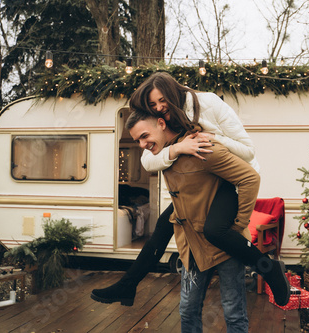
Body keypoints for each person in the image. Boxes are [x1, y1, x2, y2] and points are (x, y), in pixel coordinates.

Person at [91, 72, 290, 307]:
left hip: (232, 180)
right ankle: (128, 286)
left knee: (215, 230)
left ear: (174, 91)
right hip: (206, 184)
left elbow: (248, 151)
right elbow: (148, 161)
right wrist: (177, 149)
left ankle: (270, 269)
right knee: (161, 231)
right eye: (152, 105)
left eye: (161, 101)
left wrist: (214, 137)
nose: (158, 109)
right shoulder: (165, 118)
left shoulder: (209, 103)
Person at [127, 111, 258, 332]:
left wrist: (237, 227)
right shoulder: (163, 156)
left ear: (161, 123)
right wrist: (175, 149)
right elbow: (147, 162)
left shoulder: (201, 146)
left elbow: (250, 178)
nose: (141, 144)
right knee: (188, 310)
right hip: (193, 246)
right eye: (137, 140)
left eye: (144, 136)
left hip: (226, 247)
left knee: (233, 312)